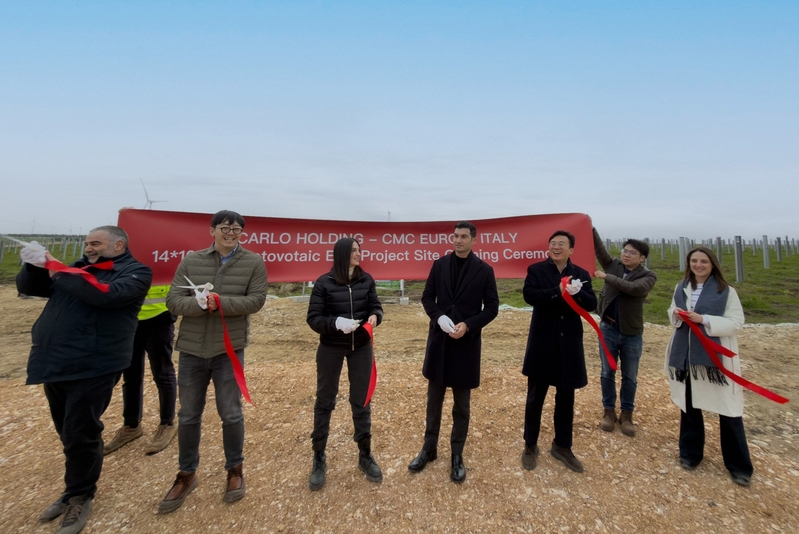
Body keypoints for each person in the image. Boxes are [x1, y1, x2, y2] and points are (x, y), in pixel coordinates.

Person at [16, 226, 151, 534]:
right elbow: (33, 288)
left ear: (118, 245)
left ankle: (80, 495)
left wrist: (58, 271)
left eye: (96, 243)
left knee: (81, 431)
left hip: (95, 364)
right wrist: (34, 266)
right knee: (67, 430)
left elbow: (105, 295)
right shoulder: (78, 267)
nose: (88, 248)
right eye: (87, 243)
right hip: (56, 361)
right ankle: (73, 488)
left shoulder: (135, 272)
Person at [158, 210, 267, 513]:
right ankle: (186, 473)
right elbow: (173, 301)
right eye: (225, 228)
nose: (231, 233)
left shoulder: (253, 262)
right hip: (192, 350)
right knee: (188, 415)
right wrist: (198, 304)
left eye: (237, 229)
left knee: (231, 413)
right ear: (212, 230)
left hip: (228, 350)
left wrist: (219, 302)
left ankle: (234, 469)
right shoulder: (191, 261)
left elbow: (256, 300)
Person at [408, 221, 499, 483]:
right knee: (433, 402)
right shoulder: (439, 265)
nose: (458, 240)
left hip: (466, 345)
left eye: (463, 236)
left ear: (473, 240)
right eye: (455, 236)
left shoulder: (484, 270)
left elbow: (492, 307)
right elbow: (427, 297)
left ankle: (457, 455)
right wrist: (438, 317)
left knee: (462, 406)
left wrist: (468, 325)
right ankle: (429, 449)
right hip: (440, 342)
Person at [665, 246, 753, 487]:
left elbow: (736, 322)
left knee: (728, 410)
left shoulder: (727, 291)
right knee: (690, 406)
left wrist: (703, 319)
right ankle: (690, 454)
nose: (698, 265)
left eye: (703, 261)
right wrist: (677, 314)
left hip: (715, 361)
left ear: (712, 264)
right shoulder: (682, 287)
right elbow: (671, 309)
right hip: (686, 356)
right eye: (694, 261)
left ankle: (739, 466)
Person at [306, 238, 384, 490]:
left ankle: (365, 454)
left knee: (362, 400)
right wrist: (336, 323)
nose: (359, 254)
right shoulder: (323, 283)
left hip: (361, 347)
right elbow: (314, 318)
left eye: (359, 250)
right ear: (341, 254)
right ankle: (319, 456)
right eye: (353, 251)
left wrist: (375, 316)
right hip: (331, 348)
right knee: (325, 400)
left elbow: (375, 307)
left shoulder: (367, 280)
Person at [521, 230, 596, 473]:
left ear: (571, 249)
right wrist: (558, 291)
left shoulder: (581, 274)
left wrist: (578, 293)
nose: (556, 247)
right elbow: (529, 296)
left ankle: (562, 445)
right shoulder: (536, 270)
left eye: (561, 244)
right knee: (535, 397)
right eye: (552, 243)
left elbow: (592, 303)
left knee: (566, 397)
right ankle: (530, 444)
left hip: (569, 344)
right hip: (543, 343)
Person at [592, 228, 657, 436]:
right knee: (607, 372)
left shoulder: (648, 276)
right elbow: (599, 249)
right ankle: (608, 411)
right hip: (608, 328)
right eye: (625, 251)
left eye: (632, 253)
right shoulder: (613, 264)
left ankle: (627, 414)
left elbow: (634, 289)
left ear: (642, 257)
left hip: (631, 332)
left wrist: (606, 277)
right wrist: (590, 227)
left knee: (630, 376)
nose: (626, 255)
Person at [103, 284, 178, 455]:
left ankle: (167, 423)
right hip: (129, 317)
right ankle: (131, 425)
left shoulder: (161, 263)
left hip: (159, 315)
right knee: (130, 375)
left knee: (163, 373)